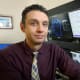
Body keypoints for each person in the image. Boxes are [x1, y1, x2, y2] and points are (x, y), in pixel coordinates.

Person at [0, 4, 80, 80]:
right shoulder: (7, 56)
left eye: (45, 24)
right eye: (33, 23)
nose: (41, 29)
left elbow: (76, 72)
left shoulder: (54, 50)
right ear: (22, 27)